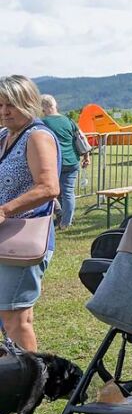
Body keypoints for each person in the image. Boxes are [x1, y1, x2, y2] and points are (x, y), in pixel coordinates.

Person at [0, 76, 60, 352]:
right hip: (7, 239)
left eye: (11, 104)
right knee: (11, 314)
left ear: (28, 102)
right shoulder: (5, 135)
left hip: (22, 240)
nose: (4, 111)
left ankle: (27, 384)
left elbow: (49, 187)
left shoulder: (37, 136)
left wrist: (5, 209)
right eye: (0, 104)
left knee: (16, 319)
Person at [40, 94, 90, 230]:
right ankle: (64, 219)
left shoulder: (43, 122)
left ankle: (64, 220)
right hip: (72, 160)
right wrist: (87, 157)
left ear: (43, 108)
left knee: (52, 191)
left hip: (54, 162)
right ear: (55, 105)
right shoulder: (69, 120)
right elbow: (81, 138)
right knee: (67, 192)